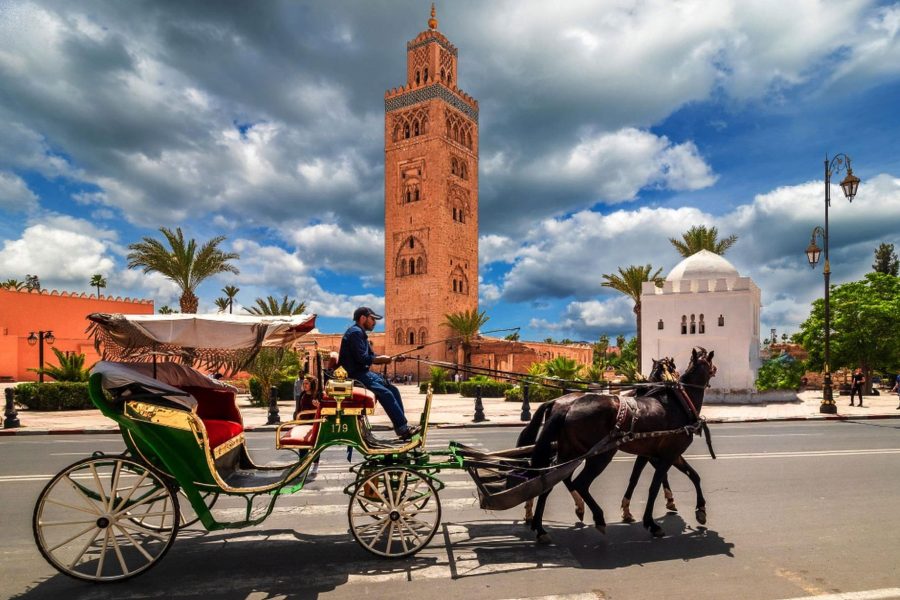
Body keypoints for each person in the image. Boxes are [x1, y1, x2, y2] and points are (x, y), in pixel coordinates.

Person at [338, 307, 419, 440]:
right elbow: (363, 359)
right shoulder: (355, 333)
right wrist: (382, 360)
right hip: (355, 375)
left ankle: (402, 427)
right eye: (372, 319)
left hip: (363, 373)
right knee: (386, 393)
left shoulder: (360, 333)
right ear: (363, 318)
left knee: (393, 389)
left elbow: (371, 355)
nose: (374, 323)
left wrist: (392, 358)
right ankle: (403, 429)